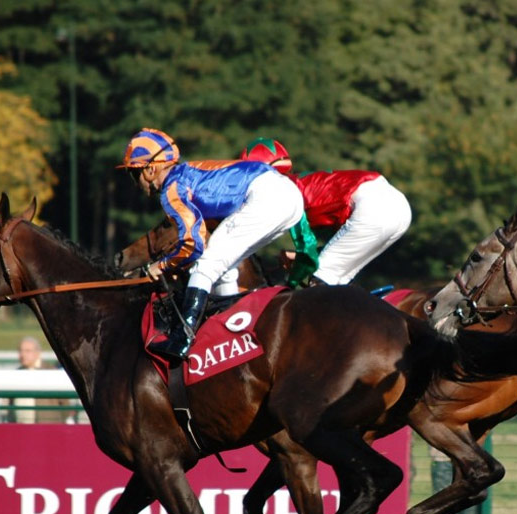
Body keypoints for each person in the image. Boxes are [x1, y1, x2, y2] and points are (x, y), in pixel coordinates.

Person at [117, 128, 305, 358]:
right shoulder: (189, 173)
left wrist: (162, 265)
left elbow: (192, 243)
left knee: (205, 265)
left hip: (267, 195)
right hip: (290, 198)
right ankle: (228, 328)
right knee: (222, 267)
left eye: (134, 173)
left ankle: (182, 337)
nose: (135, 182)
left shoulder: (172, 189)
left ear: (150, 170)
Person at [239, 137, 413, 286]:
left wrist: (291, 282)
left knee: (320, 277)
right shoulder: (300, 181)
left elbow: (305, 247)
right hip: (398, 206)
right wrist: (300, 258)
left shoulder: (282, 191)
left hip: (373, 208)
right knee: (339, 278)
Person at [7, 336, 70, 423]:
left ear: (37, 353)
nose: (22, 355)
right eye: (20, 351)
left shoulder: (51, 371)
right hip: (21, 428)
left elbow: (65, 404)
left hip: (48, 427)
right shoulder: (17, 373)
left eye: (27, 351)